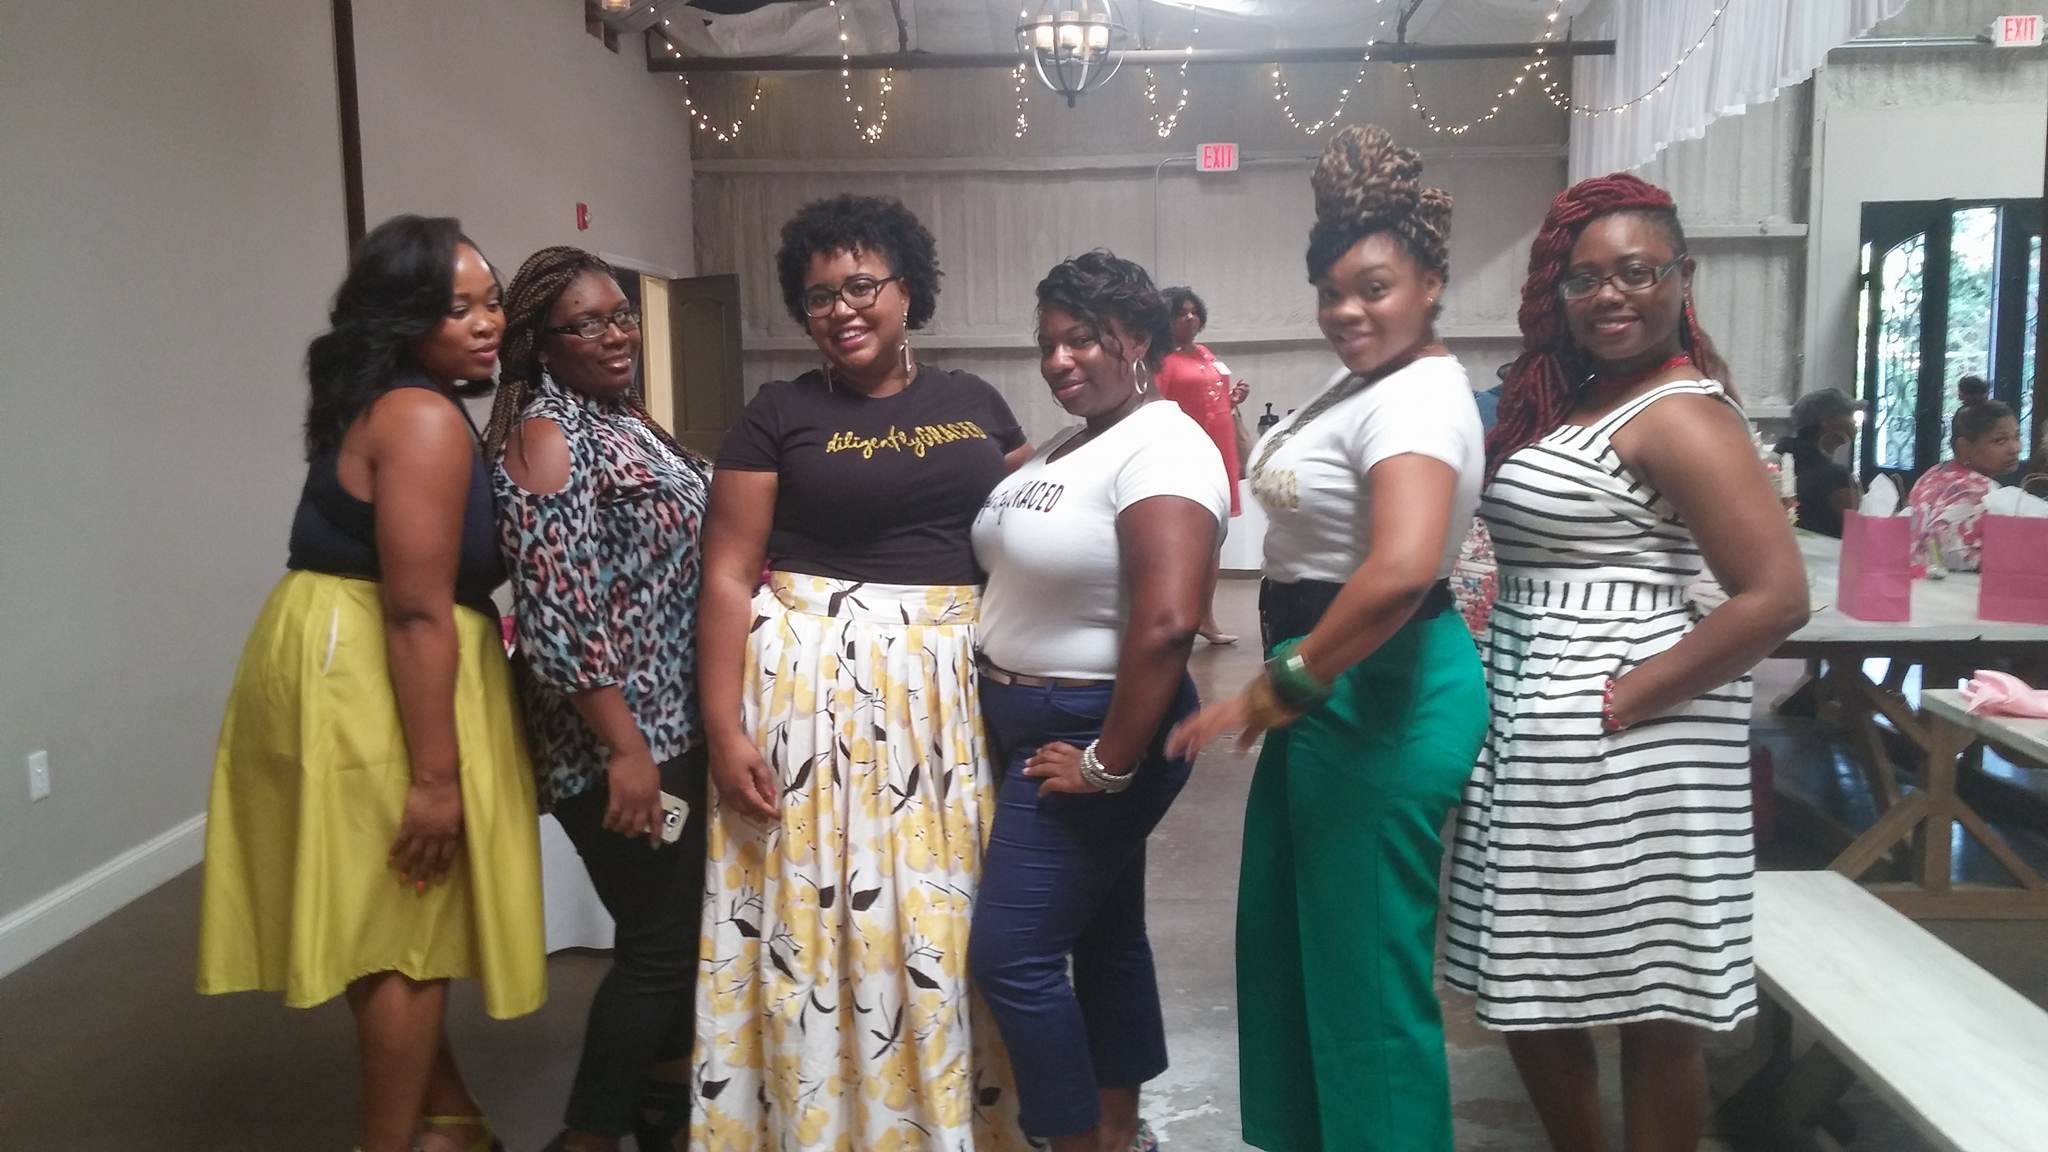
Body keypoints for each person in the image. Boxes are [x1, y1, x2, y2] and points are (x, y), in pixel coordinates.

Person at [1443, 174, 1810, 1152]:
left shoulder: (1684, 412)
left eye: (1636, 273)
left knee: (1652, 1002)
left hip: (1628, 738)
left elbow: (1775, 596)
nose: (1609, 295)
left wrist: (1625, 697)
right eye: (1585, 279)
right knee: (1530, 983)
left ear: (1680, 277)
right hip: (1544, 724)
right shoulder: (1585, 395)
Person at [1167, 125, 1488, 1151]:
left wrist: (1282, 685)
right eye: (1330, 291)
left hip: (1374, 689)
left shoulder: (1417, 398)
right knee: (1292, 951)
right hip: (1333, 689)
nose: (1347, 311)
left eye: (1374, 288)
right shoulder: (1368, 381)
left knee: (1365, 987)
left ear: (1430, 283)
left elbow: (1399, 569)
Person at [196, 215, 546, 1152]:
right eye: (457, 309)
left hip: (325, 650)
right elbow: (418, 611)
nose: (487, 322)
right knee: (405, 927)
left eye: (491, 301)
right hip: (370, 675)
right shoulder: (422, 417)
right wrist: (435, 779)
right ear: (402, 319)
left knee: (381, 909)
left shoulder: (382, 397)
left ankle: (450, 1119)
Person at [692, 194, 1032, 1152]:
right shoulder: (777, 415)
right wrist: (722, 729)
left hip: (949, 697)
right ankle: (822, 1123)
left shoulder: (976, 402)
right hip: (812, 697)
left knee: (942, 914)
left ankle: (946, 1122)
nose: (841, 310)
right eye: (818, 297)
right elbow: (727, 575)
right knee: (816, 913)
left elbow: (1032, 531)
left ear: (907, 290)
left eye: (860, 286)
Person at [969, 251, 1229, 1152]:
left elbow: (1167, 619)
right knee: (1108, 929)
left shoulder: (1165, 446)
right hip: (1039, 719)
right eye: (1047, 343)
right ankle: (1118, 1129)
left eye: (1083, 339)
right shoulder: (1075, 440)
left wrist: (1109, 763)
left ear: (1140, 338)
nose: (1059, 360)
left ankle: (1076, 1142)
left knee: (1012, 955)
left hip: (1093, 724)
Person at [484, 247, 713, 1152]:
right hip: (618, 735)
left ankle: (665, 1103)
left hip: (669, 722)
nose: (617, 334)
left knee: (677, 931)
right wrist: (625, 750)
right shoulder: (547, 435)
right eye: (587, 323)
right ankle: (588, 1136)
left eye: (621, 315)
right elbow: (558, 614)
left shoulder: (620, 417)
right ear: (540, 343)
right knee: (659, 944)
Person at [1157, 286, 1245, 645]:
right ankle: (1172, 617)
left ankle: (1206, 618)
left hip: (1220, 448)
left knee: (1215, 537)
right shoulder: (1161, 360)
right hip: (1185, 453)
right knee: (1182, 539)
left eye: (1194, 311)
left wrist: (1232, 399)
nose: (1190, 318)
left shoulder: (1206, 354)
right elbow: (1155, 408)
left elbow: (1209, 398)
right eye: (1181, 313)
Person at [1908, 398, 2023, 571]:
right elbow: (1961, 557)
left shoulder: (1934, 474)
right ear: (1964, 448)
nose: (2015, 448)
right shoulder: (1978, 490)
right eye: (2000, 441)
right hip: (1954, 584)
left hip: (1914, 579)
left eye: (2017, 437)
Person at [1773, 387, 1861, 537]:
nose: (1855, 422)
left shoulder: (1777, 460)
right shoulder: (1835, 477)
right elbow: (1857, 533)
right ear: (1828, 422)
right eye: (1849, 415)